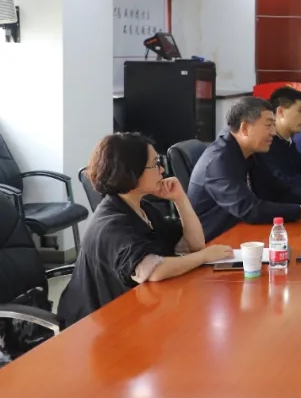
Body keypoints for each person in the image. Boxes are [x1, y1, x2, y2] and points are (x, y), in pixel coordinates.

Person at [57, 133, 235, 327]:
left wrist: (180, 199)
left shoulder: (143, 209)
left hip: (132, 312)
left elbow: (194, 244)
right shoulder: (111, 224)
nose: (162, 170)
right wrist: (204, 257)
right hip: (94, 327)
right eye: (155, 164)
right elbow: (152, 271)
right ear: (131, 172)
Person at [188, 96, 301, 240]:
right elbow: (250, 210)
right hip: (214, 239)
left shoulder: (251, 151)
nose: (274, 132)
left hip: (242, 230)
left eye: (274, 125)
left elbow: (276, 189)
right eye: (269, 125)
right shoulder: (219, 160)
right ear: (245, 128)